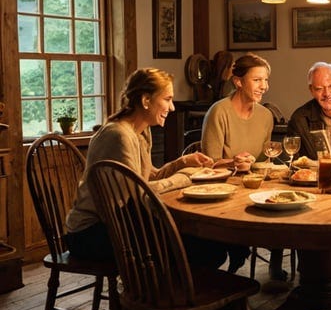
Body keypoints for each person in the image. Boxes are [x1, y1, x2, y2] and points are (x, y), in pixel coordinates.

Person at [65, 68, 229, 271]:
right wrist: (187, 178)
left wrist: (183, 162)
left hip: (120, 224)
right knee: (203, 249)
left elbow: (150, 176)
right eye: (167, 99)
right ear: (145, 100)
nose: (172, 107)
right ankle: (168, 297)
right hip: (92, 233)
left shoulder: (140, 132)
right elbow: (139, 193)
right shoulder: (119, 135)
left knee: (207, 244)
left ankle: (178, 296)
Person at [200, 53, 284, 280]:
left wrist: (262, 166)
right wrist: (234, 161)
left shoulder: (266, 116)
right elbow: (208, 163)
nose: (264, 86)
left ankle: (275, 264)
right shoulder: (219, 112)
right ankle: (232, 264)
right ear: (238, 82)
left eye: (266, 80)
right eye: (257, 80)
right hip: (223, 189)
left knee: (283, 206)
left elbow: (264, 159)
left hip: (254, 186)